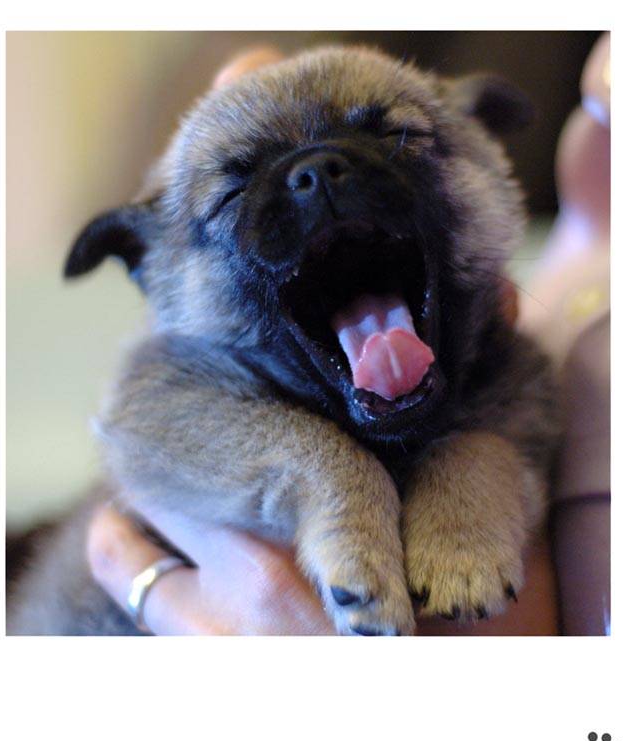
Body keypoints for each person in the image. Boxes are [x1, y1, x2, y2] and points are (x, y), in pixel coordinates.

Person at [87, 37, 609, 635]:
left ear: (487, 145)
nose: (318, 177)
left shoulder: (532, 374)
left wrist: (475, 475)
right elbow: (144, 427)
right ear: (152, 266)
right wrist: (324, 482)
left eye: (398, 136)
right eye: (231, 194)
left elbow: (524, 438)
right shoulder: (173, 387)